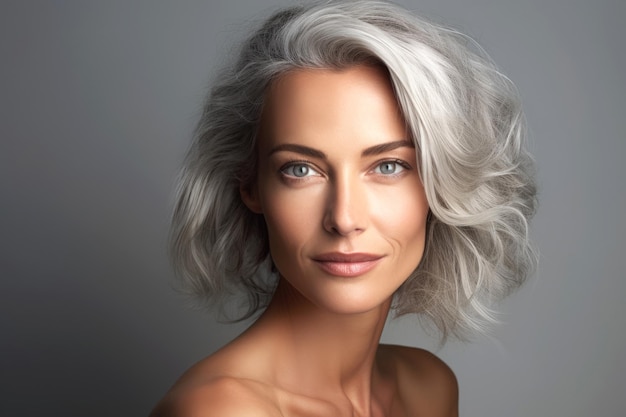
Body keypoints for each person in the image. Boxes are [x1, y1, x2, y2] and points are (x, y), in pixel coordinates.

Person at [151, 1, 536, 415]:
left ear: (443, 182)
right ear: (250, 184)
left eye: (389, 166)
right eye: (300, 169)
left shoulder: (428, 388)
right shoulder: (220, 410)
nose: (344, 219)